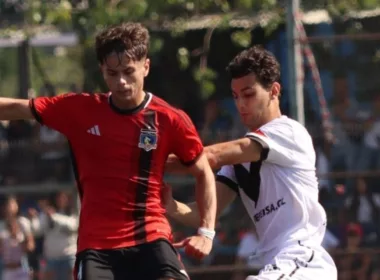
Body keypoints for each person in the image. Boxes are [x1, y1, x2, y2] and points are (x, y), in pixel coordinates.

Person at [0, 22, 217, 280]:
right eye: (113, 73)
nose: (122, 81)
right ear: (103, 70)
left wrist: (206, 232)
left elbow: (203, 171)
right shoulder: (80, 110)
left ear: (145, 66)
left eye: (128, 71)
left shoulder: (169, 119)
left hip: (151, 237)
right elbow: (16, 107)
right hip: (97, 248)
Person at [165, 46, 337, 280]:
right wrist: (169, 204)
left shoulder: (287, 131)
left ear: (274, 91)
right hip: (277, 264)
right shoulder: (238, 162)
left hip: (302, 262)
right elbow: (204, 214)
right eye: (235, 96)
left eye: (248, 94)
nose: (241, 104)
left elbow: (212, 156)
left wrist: (150, 161)